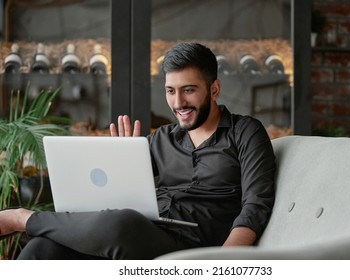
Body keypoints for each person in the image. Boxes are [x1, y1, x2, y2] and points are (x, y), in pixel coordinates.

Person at [0, 42, 275, 260]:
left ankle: (22, 218)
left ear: (214, 89)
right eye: (170, 91)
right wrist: (120, 162)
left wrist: (224, 262)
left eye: (188, 90)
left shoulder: (245, 132)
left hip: (193, 246)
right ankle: (33, 225)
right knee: (43, 248)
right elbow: (121, 195)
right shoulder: (163, 138)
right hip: (145, 235)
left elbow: (256, 205)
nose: (178, 102)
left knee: (121, 224)